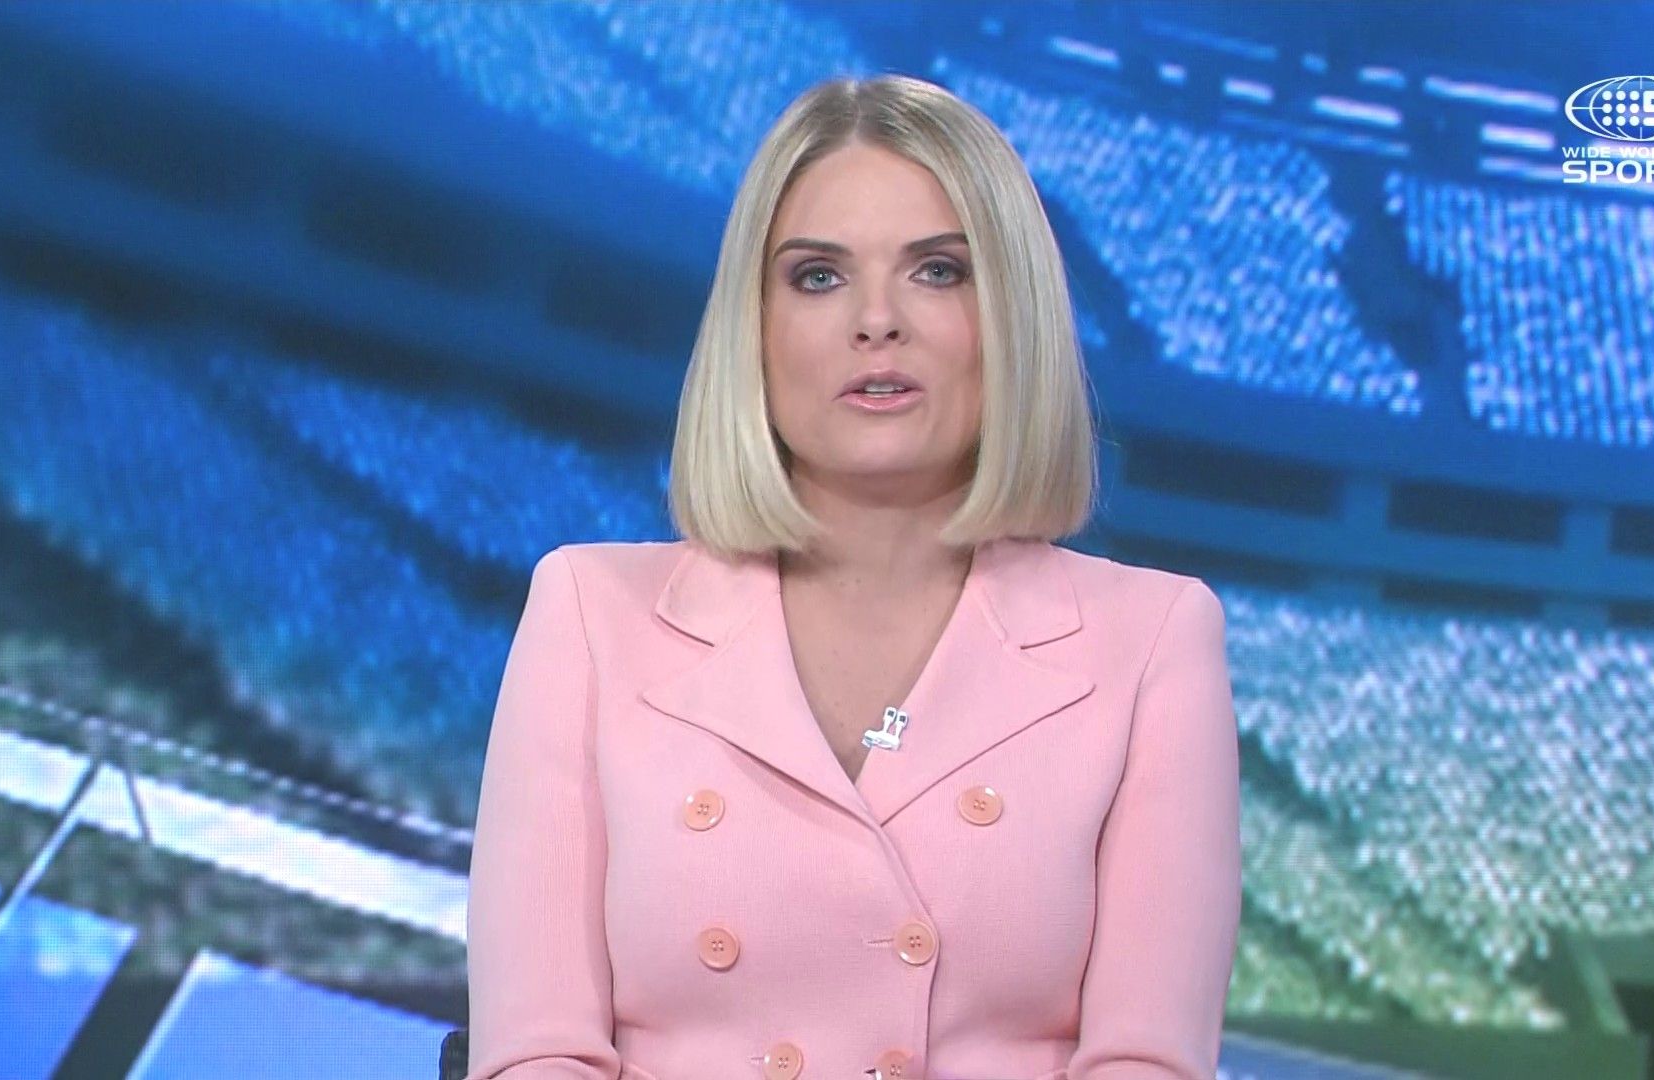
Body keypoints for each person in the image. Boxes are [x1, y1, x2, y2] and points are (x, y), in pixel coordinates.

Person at [464, 73, 1240, 1080]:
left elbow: (1147, 1063)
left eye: (938, 272)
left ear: (1013, 318)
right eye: (819, 276)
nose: (877, 320)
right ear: (754, 326)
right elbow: (535, 1056)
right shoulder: (588, 613)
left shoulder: (1153, 640)